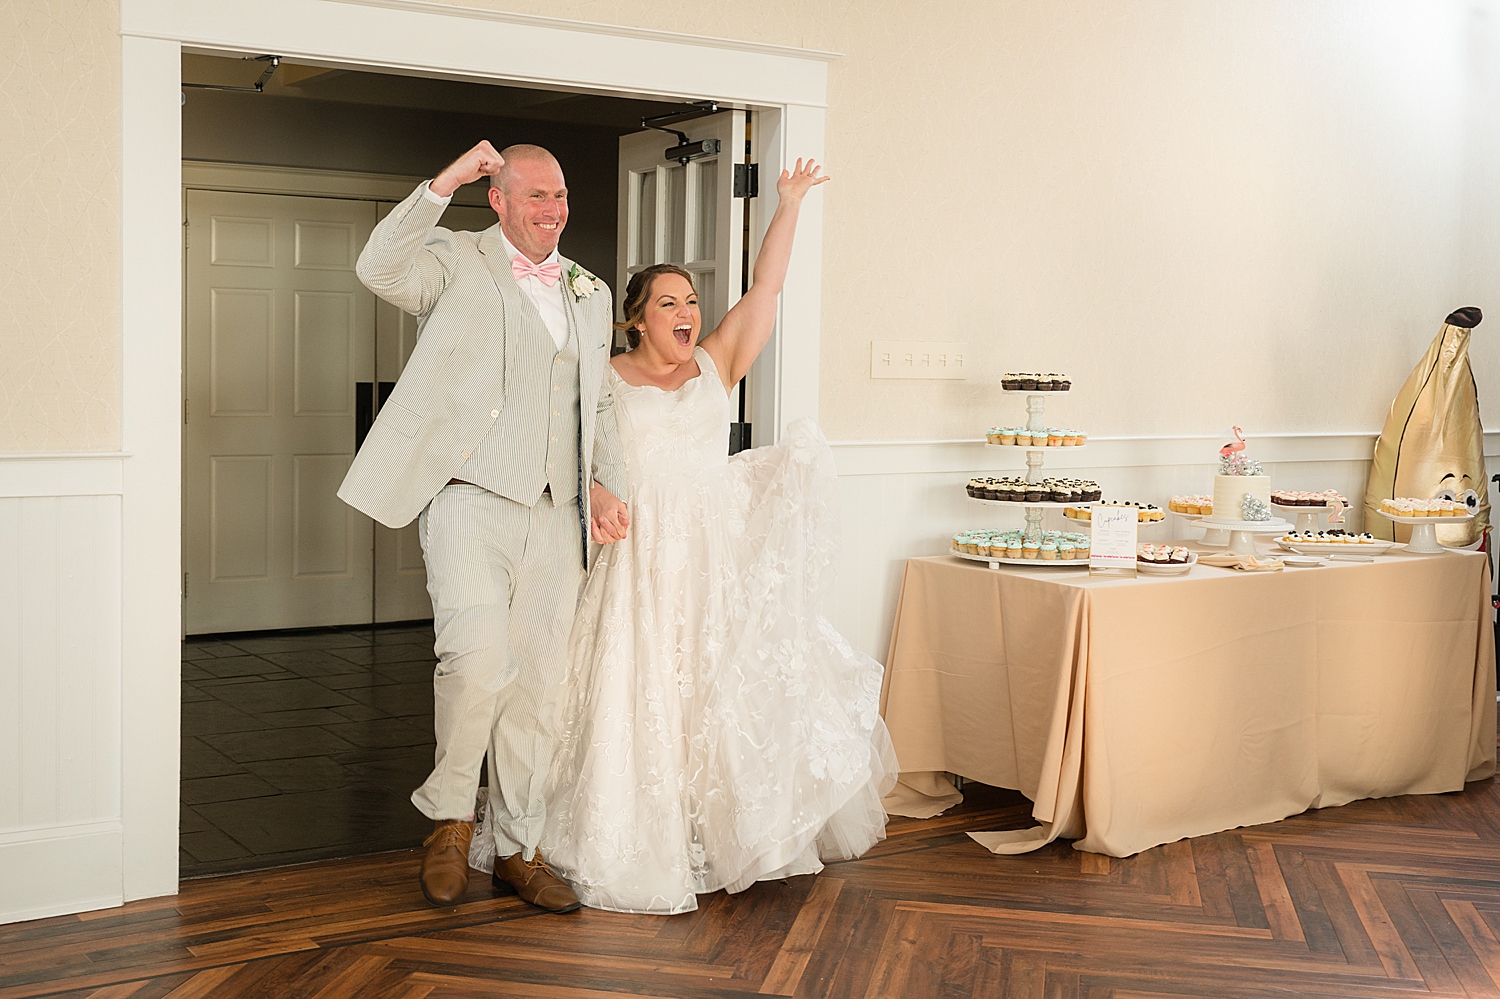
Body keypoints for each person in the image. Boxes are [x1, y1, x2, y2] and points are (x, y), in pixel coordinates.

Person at [470, 159, 898, 913]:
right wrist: (598, 489)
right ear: (636, 317)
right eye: (669, 301)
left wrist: (789, 205)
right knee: (630, 694)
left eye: (692, 300)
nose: (687, 312)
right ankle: (601, 834)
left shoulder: (713, 367)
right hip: (633, 560)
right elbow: (562, 451)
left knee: (713, 695)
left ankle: (720, 831)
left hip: (709, 560)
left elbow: (765, 290)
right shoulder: (601, 377)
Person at [339, 141, 631, 913]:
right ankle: (447, 823)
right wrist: (441, 184)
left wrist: (605, 483)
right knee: (475, 661)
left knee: (538, 687)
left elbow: (598, 401)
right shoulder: (453, 260)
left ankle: (518, 848)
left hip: (556, 513)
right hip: (468, 497)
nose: (554, 210)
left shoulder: (589, 290)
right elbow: (378, 268)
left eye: (561, 195)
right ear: (496, 198)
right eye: (536, 195)